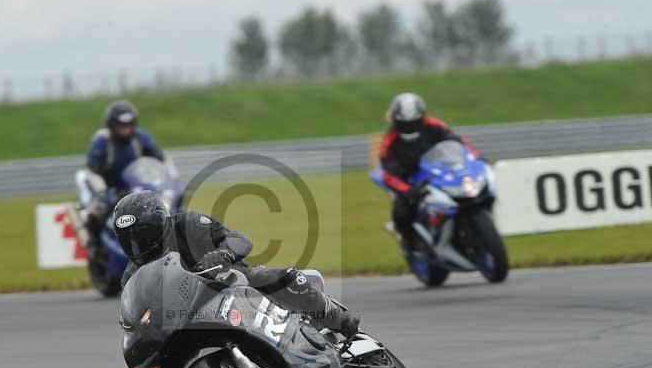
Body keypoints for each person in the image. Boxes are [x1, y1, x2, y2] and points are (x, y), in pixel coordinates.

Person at [112, 190, 360, 338]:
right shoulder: (131, 275)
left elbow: (239, 239)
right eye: (129, 240)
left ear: (160, 224)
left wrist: (224, 255)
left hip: (233, 283)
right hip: (191, 318)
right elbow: (134, 309)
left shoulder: (188, 224)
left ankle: (335, 317)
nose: (137, 245)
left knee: (281, 278)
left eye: (142, 235)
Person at [378, 92, 482, 251]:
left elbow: (458, 141)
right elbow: (387, 173)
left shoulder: (434, 124)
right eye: (405, 124)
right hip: (410, 179)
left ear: (421, 117)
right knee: (401, 210)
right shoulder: (389, 141)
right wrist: (407, 191)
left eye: (414, 123)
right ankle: (409, 241)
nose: (409, 127)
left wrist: (475, 157)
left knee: (469, 188)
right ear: (395, 120)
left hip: (438, 169)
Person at [80, 100, 165, 256]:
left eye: (129, 125)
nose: (125, 129)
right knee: (97, 211)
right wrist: (102, 192)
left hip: (139, 187)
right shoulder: (101, 141)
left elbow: (160, 160)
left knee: (169, 208)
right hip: (111, 190)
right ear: (111, 125)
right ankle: (94, 245)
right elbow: (92, 170)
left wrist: (168, 181)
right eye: (121, 126)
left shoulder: (141, 138)